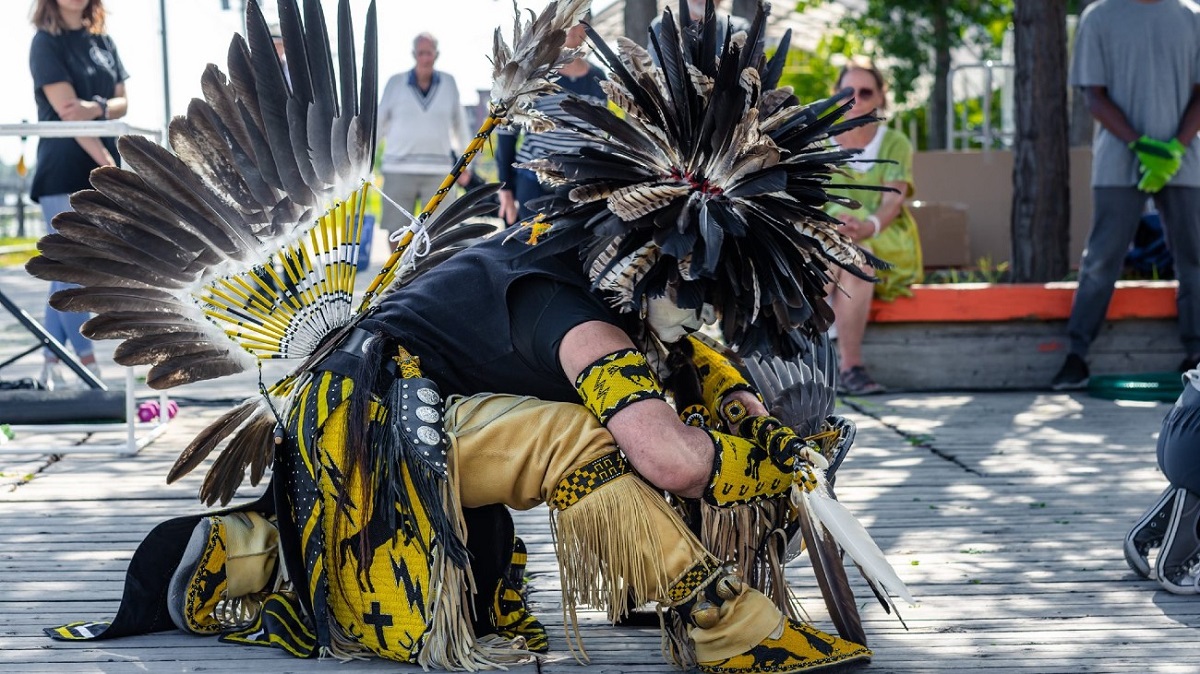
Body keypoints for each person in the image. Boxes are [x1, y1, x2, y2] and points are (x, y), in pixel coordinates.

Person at [36, 2, 902, 672]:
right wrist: (754, 460)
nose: (698, 305)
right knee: (582, 437)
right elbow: (670, 457)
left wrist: (758, 420)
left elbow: (689, 363)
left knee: (675, 416)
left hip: (411, 410)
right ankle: (720, 626)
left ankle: (248, 553)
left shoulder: (609, 276)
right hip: (366, 430)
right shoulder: (577, 313)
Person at [1051, 0, 1200, 391]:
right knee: (1102, 259)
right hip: (1118, 162)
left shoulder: (1192, 16)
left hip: (1183, 161)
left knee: (1194, 258)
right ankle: (1076, 357)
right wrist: (1142, 146)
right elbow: (1093, 97)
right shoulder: (1099, 16)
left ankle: (1197, 357)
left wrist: (1173, 151)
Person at [28, 0, 128, 389]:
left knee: (69, 274)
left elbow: (123, 101)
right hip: (64, 169)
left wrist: (97, 106)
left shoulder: (102, 40)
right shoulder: (44, 42)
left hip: (99, 167)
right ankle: (87, 369)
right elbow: (68, 114)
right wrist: (106, 161)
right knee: (70, 272)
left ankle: (51, 364)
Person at [824, 57, 922, 396]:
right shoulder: (821, 142)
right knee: (833, 259)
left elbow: (894, 199)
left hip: (882, 235)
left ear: (880, 97)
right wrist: (838, 221)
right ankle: (843, 368)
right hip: (829, 233)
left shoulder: (895, 142)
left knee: (858, 260)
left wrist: (867, 225)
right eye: (848, 92)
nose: (856, 100)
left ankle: (843, 366)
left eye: (866, 92)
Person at [495, 19, 606, 224]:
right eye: (568, 23)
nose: (573, 29)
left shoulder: (598, 79)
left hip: (579, 184)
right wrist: (506, 188)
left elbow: (601, 138)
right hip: (533, 181)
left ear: (587, 27)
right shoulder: (537, 73)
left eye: (579, 23)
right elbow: (506, 130)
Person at [376, 32, 471, 236]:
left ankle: (430, 270)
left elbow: (460, 126)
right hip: (398, 168)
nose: (425, 58)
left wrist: (466, 165)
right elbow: (378, 125)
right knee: (396, 230)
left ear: (436, 54)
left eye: (429, 53)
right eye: (421, 53)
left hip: (439, 169)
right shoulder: (395, 83)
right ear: (414, 54)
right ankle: (399, 269)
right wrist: (363, 164)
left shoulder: (449, 83)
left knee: (440, 231)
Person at [1125, 368, 1200, 594]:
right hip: (1194, 444)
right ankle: (1176, 560)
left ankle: (1154, 525)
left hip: (1177, 428)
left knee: (1193, 477)